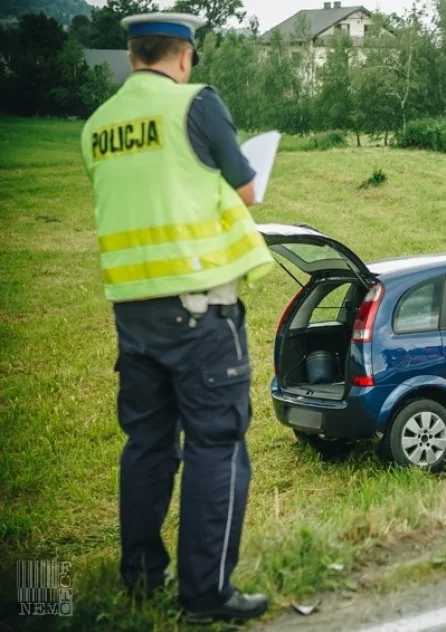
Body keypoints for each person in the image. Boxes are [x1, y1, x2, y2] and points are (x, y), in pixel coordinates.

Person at [79, 12, 275, 624]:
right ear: (184, 57)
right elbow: (245, 190)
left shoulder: (97, 126)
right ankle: (206, 595)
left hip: (132, 314)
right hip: (199, 312)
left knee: (146, 446)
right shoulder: (196, 105)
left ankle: (140, 581)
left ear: (131, 54)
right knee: (216, 446)